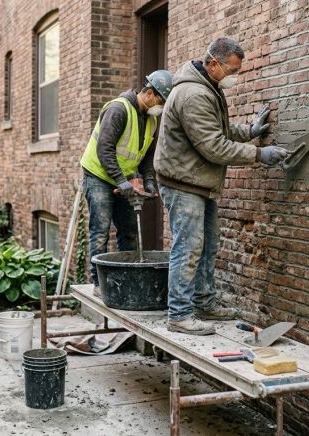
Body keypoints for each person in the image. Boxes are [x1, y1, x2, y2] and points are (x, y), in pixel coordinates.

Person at [154, 37, 288, 335]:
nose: (234, 76)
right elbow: (213, 146)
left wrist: (250, 131)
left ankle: (203, 302)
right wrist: (259, 154)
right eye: (231, 69)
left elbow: (220, 131)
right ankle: (179, 314)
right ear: (213, 63)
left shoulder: (207, 86)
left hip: (198, 181)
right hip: (183, 183)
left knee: (207, 246)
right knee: (188, 248)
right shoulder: (193, 94)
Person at [80, 70, 173, 294]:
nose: (161, 108)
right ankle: (98, 283)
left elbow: (147, 156)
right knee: (100, 230)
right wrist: (121, 181)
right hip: (99, 175)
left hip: (123, 179)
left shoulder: (151, 120)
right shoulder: (118, 109)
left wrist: (149, 181)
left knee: (129, 230)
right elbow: (105, 149)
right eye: (161, 101)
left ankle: (126, 279)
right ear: (149, 93)